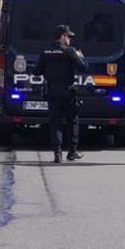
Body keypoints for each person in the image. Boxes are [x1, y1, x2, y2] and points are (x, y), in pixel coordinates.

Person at [38, 24, 88, 163]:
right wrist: (81, 57)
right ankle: (72, 152)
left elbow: (37, 71)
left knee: (55, 122)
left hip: (52, 91)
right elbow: (83, 68)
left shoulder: (46, 52)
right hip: (68, 92)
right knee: (73, 120)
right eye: (68, 36)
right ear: (62, 36)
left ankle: (57, 154)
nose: (70, 40)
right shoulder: (70, 51)